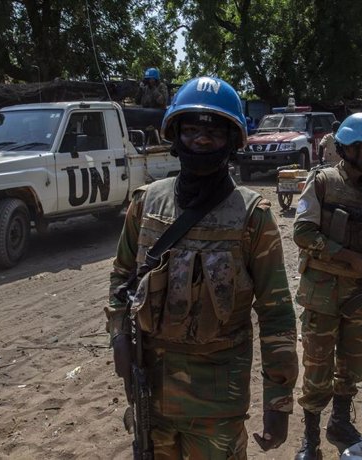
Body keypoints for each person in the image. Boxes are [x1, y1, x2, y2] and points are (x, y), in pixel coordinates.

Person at [107, 76, 299, 458]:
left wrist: (278, 404)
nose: (201, 140)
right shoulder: (146, 204)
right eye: (191, 129)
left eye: (213, 132)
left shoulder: (252, 216)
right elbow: (121, 279)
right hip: (151, 392)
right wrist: (118, 338)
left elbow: (276, 315)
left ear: (232, 142)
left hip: (218, 404)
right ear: (175, 136)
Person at [292, 112, 362, 460]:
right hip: (322, 293)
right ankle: (311, 439)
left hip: (359, 296)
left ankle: (339, 421)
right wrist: (347, 256)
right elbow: (302, 233)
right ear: (348, 146)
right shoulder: (321, 182)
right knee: (317, 368)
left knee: (352, 365)